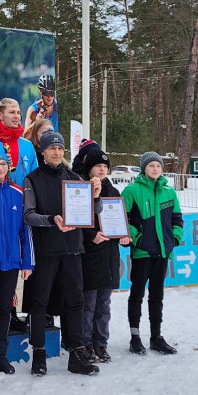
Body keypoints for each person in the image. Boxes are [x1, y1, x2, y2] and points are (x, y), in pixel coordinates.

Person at [23, 131, 102, 376]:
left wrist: (96, 196)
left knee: (75, 300)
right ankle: (38, 352)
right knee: (40, 301)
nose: (57, 152)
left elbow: (93, 212)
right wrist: (50, 219)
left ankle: (77, 352)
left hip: (72, 248)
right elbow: (28, 215)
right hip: (46, 249)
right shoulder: (32, 179)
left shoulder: (75, 177)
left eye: (60, 149)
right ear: (43, 151)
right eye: (51, 148)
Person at [0, 150, 34, 378]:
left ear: (9, 167)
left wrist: (27, 262)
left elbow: (25, 231)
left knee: (5, 308)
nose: (0, 168)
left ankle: (1, 355)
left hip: (11, 261)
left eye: (3, 164)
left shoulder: (17, 193)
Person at [122, 151, 184, 356]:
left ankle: (156, 337)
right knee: (137, 293)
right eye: (151, 166)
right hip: (142, 253)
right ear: (143, 168)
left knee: (157, 296)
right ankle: (135, 337)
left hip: (162, 253)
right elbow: (124, 219)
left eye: (158, 165)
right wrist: (137, 238)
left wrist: (174, 238)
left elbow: (177, 220)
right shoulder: (132, 190)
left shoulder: (169, 191)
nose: (155, 169)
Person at [80, 147, 131, 363]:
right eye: (97, 166)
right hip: (90, 256)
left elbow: (120, 219)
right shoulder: (80, 187)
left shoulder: (114, 191)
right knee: (88, 304)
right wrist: (91, 236)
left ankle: (101, 343)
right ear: (89, 168)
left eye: (104, 166)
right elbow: (77, 221)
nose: (101, 169)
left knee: (104, 304)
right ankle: (85, 344)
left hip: (109, 255)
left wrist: (124, 234)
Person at [0, 97, 38, 188]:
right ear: (0, 115)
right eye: (12, 112)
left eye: (18, 113)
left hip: (23, 199)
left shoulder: (28, 145)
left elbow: (35, 178)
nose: (16, 116)